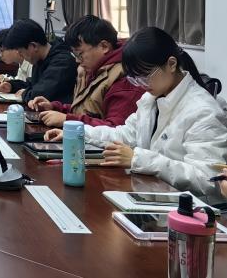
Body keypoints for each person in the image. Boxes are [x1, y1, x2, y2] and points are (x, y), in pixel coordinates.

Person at [45, 26, 227, 197]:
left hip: (185, 207)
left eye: (145, 76)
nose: (141, 85)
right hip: (152, 193)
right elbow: (126, 134)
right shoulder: (152, 98)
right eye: (135, 79)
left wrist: (139, 159)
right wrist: (79, 134)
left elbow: (208, 178)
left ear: (171, 64)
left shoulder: (202, 111)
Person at [27, 15, 144, 127]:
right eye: (75, 55)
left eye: (80, 54)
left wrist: (67, 120)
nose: (77, 61)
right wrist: (54, 107)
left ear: (104, 46)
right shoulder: (94, 69)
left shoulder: (125, 79)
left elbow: (115, 129)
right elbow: (84, 111)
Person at [3, 19, 78, 104]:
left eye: (21, 52)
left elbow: (39, 95)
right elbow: (32, 85)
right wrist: (12, 86)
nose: (21, 56)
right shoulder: (40, 59)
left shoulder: (62, 62)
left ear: (33, 46)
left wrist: (24, 93)